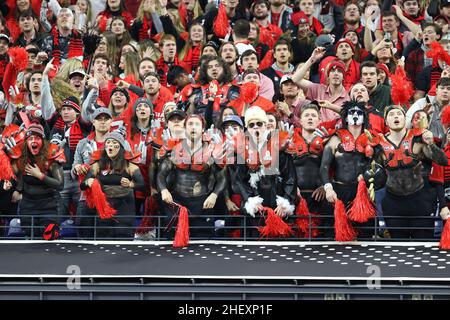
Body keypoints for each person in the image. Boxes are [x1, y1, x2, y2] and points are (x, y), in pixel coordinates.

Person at [376, 105, 448, 239]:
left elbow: (443, 161)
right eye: (391, 114)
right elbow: (374, 175)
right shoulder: (378, 145)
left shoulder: (418, 139)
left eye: (399, 113)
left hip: (420, 200)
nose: (396, 116)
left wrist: (431, 144)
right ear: (386, 121)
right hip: (393, 203)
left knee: (424, 244)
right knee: (398, 247)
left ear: (405, 118)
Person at [157, 114, 227, 239]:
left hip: (203, 202)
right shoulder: (173, 149)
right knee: (172, 241)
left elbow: (222, 178)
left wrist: (214, 195)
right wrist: (164, 190)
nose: (193, 127)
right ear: (184, 128)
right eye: (190, 124)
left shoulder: (212, 151)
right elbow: (161, 175)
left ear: (203, 129)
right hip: (177, 202)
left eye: (197, 124)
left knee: (203, 241)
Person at [233, 106, 297, 238]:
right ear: (247, 129)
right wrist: (250, 200)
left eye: (259, 124)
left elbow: (290, 177)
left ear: (266, 126)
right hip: (256, 210)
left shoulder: (278, 146)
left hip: (278, 208)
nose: (255, 127)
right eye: (251, 125)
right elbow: (240, 180)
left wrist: (286, 201)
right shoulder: (242, 150)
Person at [80, 130, 145, 239]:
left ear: (120, 147)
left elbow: (142, 185)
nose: (111, 146)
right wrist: (88, 182)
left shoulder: (129, 166)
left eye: (114, 143)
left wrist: (131, 184)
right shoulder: (97, 165)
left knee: (124, 234)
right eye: (108, 143)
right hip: (104, 204)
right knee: (103, 234)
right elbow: (82, 186)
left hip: (125, 205)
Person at [12, 124, 65, 238]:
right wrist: (18, 189)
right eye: (30, 139)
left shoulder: (52, 156)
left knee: (49, 236)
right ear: (26, 142)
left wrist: (39, 175)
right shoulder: (22, 157)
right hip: (28, 205)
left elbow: (60, 185)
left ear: (43, 141)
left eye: (37, 138)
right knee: (30, 237)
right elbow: (19, 174)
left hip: (49, 205)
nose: (33, 141)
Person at [72, 107, 113, 238]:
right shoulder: (83, 143)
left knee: (106, 236)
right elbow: (74, 168)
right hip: (86, 195)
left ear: (111, 122)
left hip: (110, 195)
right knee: (83, 233)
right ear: (93, 122)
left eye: (106, 119)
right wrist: (77, 168)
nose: (103, 122)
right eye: (99, 119)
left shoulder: (120, 142)